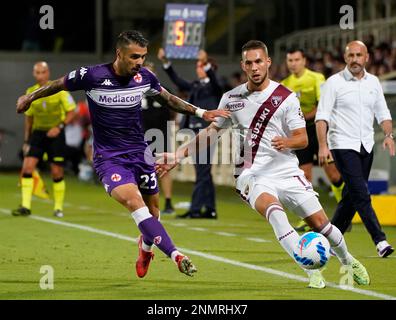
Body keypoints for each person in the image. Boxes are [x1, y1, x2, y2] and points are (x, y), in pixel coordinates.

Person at [156, 40, 370, 289]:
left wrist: (287, 141)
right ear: (243, 65)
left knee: (322, 225)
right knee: (276, 214)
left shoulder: (285, 97)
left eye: (259, 61)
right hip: (251, 174)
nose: (255, 67)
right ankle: (310, 268)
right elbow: (210, 133)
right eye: (249, 62)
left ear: (268, 62)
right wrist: (178, 154)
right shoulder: (231, 98)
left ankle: (348, 260)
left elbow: (303, 139)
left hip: (286, 170)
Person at [16, 30, 229, 277]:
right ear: (120, 54)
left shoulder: (145, 77)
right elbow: (57, 84)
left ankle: (145, 247)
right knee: (133, 201)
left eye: (143, 57)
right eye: (134, 57)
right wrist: (29, 98)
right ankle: (176, 254)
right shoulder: (92, 75)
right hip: (109, 159)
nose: (139, 62)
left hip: (140, 154)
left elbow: (168, 99)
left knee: (154, 213)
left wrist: (203, 113)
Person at [316, 40, 395, 258]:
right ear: (345, 57)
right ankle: (380, 241)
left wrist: (388, 135)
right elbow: (321, 117)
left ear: (367, 58)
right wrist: (323, 146)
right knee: (361, 194)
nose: (355, 60)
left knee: (351, 196)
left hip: (366, 145)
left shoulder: (374, 82)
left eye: (359, 55)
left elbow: (383, 113)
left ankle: (328, 240)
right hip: (342, 145)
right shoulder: (333, 83)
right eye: (351, 56)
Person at [281, 48, 345, 232]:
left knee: (333, 173)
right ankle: (308, 218)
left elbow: (322, 106)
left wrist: (301, 118)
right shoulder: (285, 84)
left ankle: (345, 209)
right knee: (305, 177)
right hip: (300, 134)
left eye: (296, 59)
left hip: (319, 129)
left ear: (304, 60)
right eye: (290, 60)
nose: (293, 63)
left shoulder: (317, 78)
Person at [157, 47, 223, 219]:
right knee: (203, 171)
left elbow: (216, 82)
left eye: (201, 66)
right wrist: (165, 62)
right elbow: (177, 81)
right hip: (195, 132)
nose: (197, 68)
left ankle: (195, 209)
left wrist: (206, 61)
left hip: (208, 133)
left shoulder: (215, 86)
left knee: (201, 171)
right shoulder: (195, 85)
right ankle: (210, 209)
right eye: (198, 65)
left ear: (209, 67)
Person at [12, 61, 77, 218]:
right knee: (27, 168)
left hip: (56, 134)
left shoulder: (59, 90)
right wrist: (27, 141)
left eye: (43, 72)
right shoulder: (31, 92)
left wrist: (59, 127)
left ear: (48, 73)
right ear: (34, 74)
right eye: (37, 72)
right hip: (38, 134)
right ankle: (25, 206)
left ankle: (58, 208)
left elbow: (71, 111)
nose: (40, 75)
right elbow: (29, 119)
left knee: (56, 172)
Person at [141, 61, 176, 214]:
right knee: (143, 169)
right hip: (141, 135)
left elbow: (174, 108)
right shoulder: (135, 91)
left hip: (160, 133)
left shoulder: (164, 90)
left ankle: (168, 201)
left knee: (164, 169)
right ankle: (144, 203)